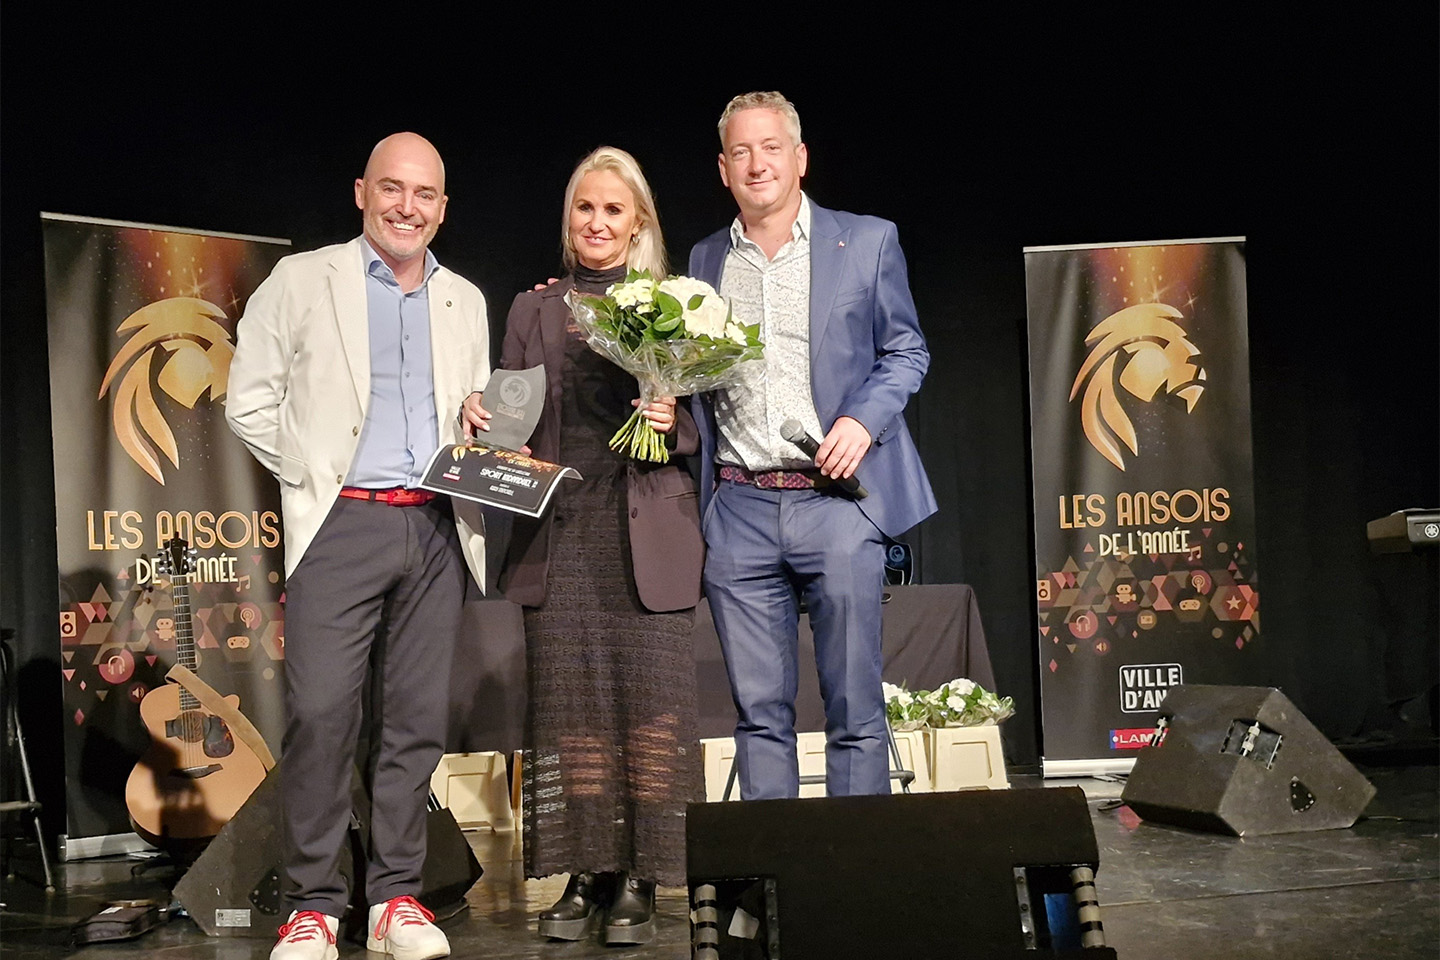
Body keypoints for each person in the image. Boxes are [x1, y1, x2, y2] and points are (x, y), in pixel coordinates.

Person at [227, 132, 490, 960]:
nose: (406, 206)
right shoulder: (304, 280)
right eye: (392, 188)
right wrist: (317, 478)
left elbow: (472, 408)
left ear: (444, 207)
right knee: (321, 714)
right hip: (341, 524)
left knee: (414, 722)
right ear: (361, 192)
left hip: (437, 526)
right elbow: (248, 401)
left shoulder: (466, 299)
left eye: (424, 194)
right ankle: (312, 904)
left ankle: (395, 900)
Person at [689, 92, 937, 801]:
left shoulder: (865, 241)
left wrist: (862, 421)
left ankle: (854, 890)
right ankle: (774, 889)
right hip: (737, 507)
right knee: (759, 718)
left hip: (835, 504)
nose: (756, 163)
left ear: (799, 159)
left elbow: (907, 349)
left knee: (856, 712)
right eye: (741, 151)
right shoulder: (706, 259)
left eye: (771, 147)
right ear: (723, 168)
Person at [500, 146, 704, 946]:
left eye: (614, 209)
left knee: (650, 710)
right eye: (585, 208)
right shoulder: (532, 309)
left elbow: (705, 432)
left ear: (638, 222)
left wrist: (671, 422)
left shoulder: (676, 307)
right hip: (560, 534)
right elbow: (512, 414)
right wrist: (489, 430)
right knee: (574, 711)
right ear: (569, 218)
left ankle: (644, 878)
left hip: (646, 529)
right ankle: (588, 874)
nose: (597, 222)